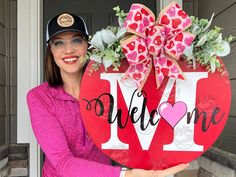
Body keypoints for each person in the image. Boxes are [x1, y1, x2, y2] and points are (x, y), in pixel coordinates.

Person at [27, 12, 189, 177]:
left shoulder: (110, 88)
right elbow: (63, 163)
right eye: (58, 43)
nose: (69, 49)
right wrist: (128, 175)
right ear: (51, 51)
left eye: (76, 40)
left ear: (88, 46)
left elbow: (140, 130)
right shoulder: (39, 97)